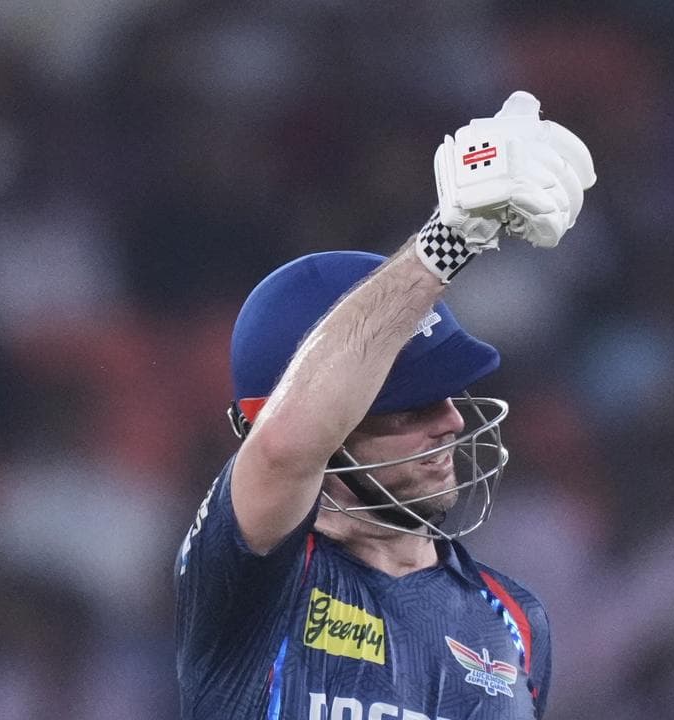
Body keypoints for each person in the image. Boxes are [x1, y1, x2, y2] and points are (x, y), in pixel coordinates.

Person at [174, 91, 596, 720]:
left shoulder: (516, 620)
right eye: (406, 410)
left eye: (446, 397)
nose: (451, 421)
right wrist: (449, 239)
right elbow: (285, 447)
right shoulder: (247, 574)